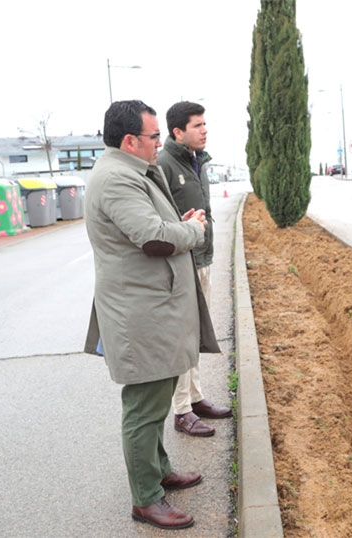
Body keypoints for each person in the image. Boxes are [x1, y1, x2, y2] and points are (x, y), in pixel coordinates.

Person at [83, 100, 220, 530]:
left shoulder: (130, 171)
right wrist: (192, 231)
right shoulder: (117, 179)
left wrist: (177, 222)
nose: (159, 143)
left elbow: (153, 227)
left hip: (150, 307)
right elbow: (153, 239)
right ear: (129, 140)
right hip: (139, 313)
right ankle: (146, 498)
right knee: (143, 407)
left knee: (157, 399)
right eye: (154, 136)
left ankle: (158, 472)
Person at [156, 101, 232, 438]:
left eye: (205, 124)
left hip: (203, 258)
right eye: (197, 125)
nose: (204, 130)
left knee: (197, 333)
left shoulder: (197, 161)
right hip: (182, 263)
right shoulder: (164, 165)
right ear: (178, 132)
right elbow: (158, 218)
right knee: (183, 338)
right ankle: (182, 410)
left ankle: (196, 399)